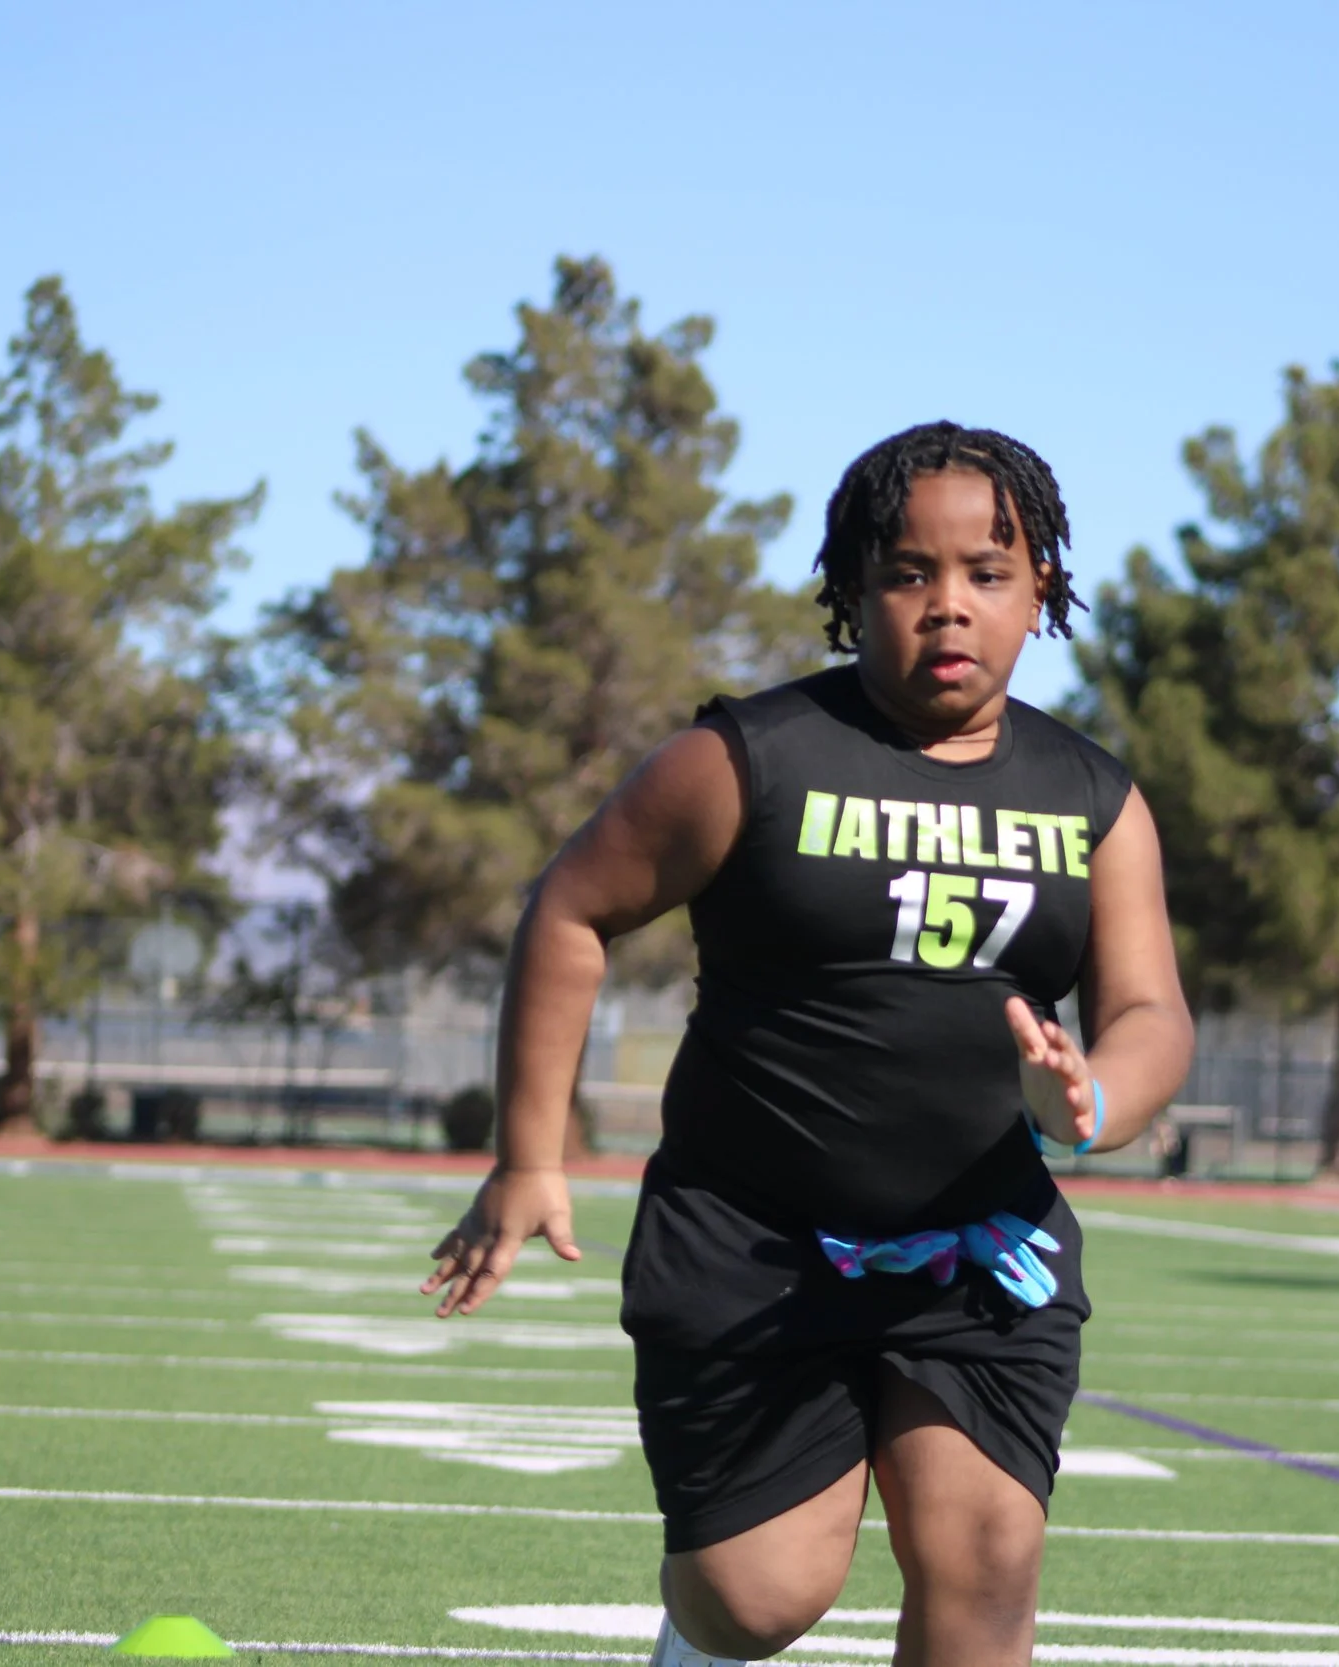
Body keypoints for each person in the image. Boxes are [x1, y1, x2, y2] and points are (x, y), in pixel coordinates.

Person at [422, 420, 1194, 1667]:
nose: (949, 606)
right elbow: (570, 909)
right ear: (850, 592)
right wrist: (527, 1158)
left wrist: (1091, 1096)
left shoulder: (1093, 796)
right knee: (760, 1595)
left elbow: (1152, 1009)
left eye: (987, 574)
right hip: (754, 1248)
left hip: (975, 1253)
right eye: (907, 573)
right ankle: (700, 1631)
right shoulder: (747, 760)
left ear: (1039, 586)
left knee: (986, 1561)